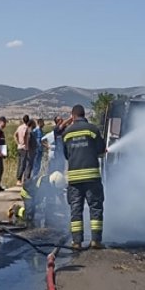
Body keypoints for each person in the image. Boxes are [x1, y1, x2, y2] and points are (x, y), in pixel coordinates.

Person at [61, 104, 106, 249]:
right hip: (92, 177)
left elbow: (67, 155)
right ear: (84, 115)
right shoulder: (93, 130)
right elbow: (101, 149)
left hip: (74, 178)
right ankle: (96, 241)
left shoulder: (67, 133)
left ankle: (76, 242)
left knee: (75, 209)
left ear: (73, 116)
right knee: (95, 207)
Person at [15, 115, 32, 184]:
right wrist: (25, 143)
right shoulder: (26, 128)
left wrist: (18, 142)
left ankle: (18, 178)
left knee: (20, 163)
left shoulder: (20, 127)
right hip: (24, 148)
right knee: (23, 163)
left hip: (19, 147)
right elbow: (25, 135)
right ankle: (19, 179)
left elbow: (15, 134)